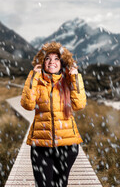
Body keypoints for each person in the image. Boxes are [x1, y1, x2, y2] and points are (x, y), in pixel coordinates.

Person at [20, 41, 86, 187]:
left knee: (60, 185)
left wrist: (75, 77)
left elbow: (79, 105)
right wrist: (33, 76)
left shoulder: (69, 81)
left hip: (67, 146)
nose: (52, 62)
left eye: (56, 59)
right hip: (41, 145)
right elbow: (27, 105)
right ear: (42, 62)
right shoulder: (37, 81)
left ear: (62, 63)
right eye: (48, 58)